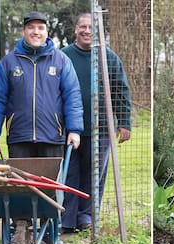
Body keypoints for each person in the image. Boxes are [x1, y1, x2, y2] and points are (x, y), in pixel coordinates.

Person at [0, 11, 84, 244]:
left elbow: (72, 97)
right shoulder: (9, 63)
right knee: (20, 185)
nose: (36, 32)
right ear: (24, 31)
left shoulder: (60, 61)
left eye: (40, 28)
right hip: (19, 135)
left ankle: (52, 233)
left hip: (52, 134)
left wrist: (74, 130)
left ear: (46, 32)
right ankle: (23, 229)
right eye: (31, 28)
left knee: (51, 186)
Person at [60, 13, 132, 232]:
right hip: (69, 129)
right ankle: (67, 219)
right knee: (69, 173)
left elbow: (121, 90)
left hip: (100, 129)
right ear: (75, 29)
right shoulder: (63, 56)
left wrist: (124, 122)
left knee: (94, 175)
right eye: (83, 27)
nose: (87, 31)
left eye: (91, 27)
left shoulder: (108, 58)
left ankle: (86, 217)